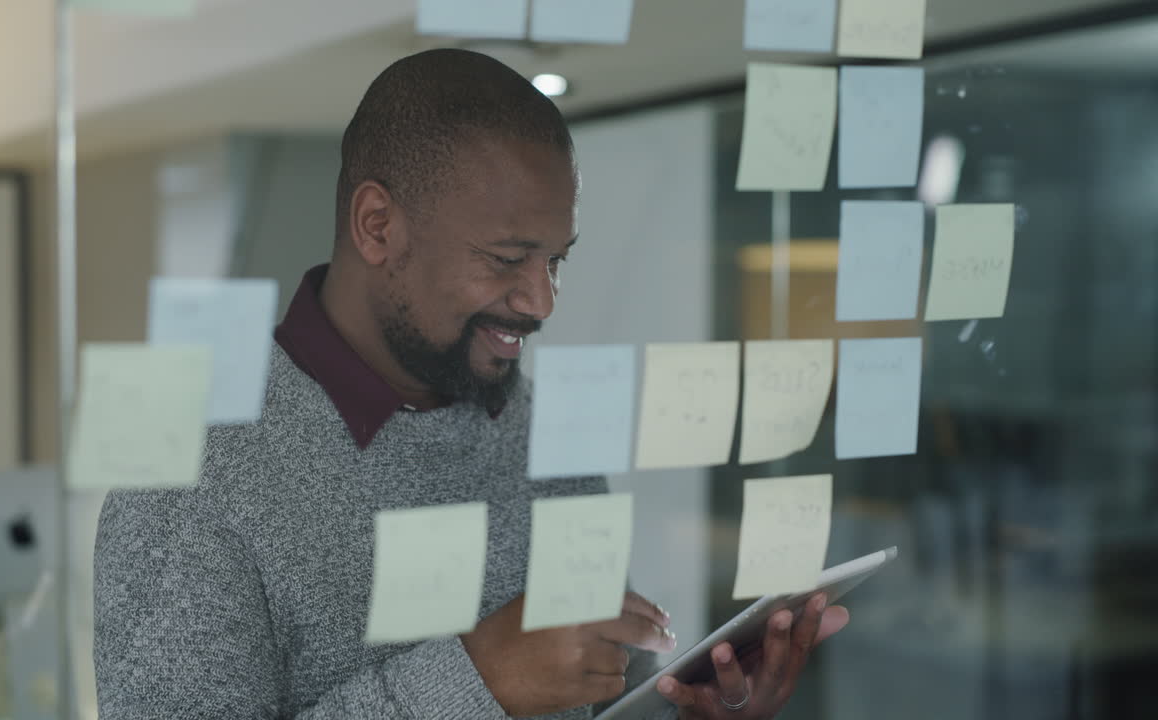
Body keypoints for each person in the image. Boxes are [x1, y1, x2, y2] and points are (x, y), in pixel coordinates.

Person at [93, 48, 848, 720]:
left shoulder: (530, 427)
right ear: (378, 226)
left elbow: (596, 694)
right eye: (506, 257)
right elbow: (501, 683)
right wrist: (477, 681)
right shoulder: (190, 475)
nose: (542, 299)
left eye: (556, 260)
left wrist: (692, 712)